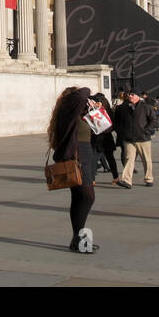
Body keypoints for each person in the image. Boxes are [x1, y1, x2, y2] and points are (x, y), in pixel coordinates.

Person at [48, 85, 98, 253]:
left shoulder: (78, 112)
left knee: (79, 197)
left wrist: (93, 109)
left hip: (85, 154)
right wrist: (83, 96)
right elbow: (85, 91)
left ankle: (78, 239)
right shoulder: (70, 105)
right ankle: (78, 238)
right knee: (88, 196)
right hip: (77, 156)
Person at [113, 91, 156, 188]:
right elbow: (117, 121)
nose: (130, 96)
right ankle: (126, 181)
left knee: (146, 159)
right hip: (129, 138)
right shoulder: (123, 108)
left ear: (138, 96)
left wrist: (147, 130)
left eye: (132, 94)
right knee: (129, 159)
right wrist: (121, 132)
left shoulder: (146, 107)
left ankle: (149, 178)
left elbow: (154, 120)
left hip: (143, 138)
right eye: (129, 94)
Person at [90, 92, 120, 185]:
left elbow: (113, 125)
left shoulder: (107, 112)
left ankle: (116, 177)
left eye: (95, 102)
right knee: (94, 159)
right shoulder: (92, 111)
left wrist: (103, 129)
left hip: (106, 138)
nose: (94, 103)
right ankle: (92, 180)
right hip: (96, 138)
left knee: (109, 158)